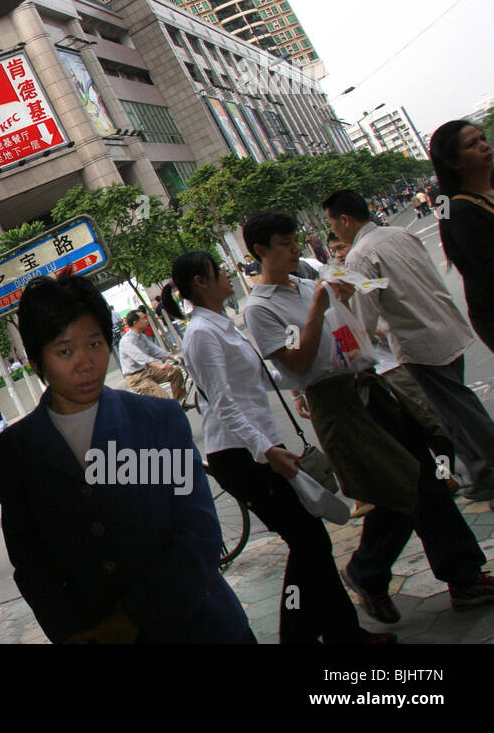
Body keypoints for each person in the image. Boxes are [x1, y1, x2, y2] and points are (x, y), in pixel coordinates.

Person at [242, 210, 494, 623]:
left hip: (370, 386)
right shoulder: (260, 308)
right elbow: (300, 363)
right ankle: (368, 571)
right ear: (260, 251)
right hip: (336, 405)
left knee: (425, 477)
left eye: (295, 240)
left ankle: (462, 576)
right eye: (284, 244)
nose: (294, 250)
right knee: (399, 489)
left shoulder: (308, 283)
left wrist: (342, 304)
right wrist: (319, 310)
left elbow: (345, 334)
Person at [0, 273, 251, 643]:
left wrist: (132, 621)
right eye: (65, 351)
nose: (86, 363)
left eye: (95, 344)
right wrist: (74, 634)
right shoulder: (14, 452)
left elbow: (199, 533)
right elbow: (32, 565)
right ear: (36, 361)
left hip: (202, 627)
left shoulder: (158, 419)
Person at [163, 253, 391, 643]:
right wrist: (265, 449)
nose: (231, 276)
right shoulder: (202, 333)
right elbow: (221, 402)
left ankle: (342, 633)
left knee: (311, 540)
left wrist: (307, 377)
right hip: (242, 454)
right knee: (308, 541)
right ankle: (300, 635)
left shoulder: (218, 325)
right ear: (202, 283)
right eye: (221, 272)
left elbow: (257, 380)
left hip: (256, 447)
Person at [325, 189, 494, 502]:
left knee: (461, 411)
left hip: (419, 342)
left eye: (333, 225)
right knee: (452, 411)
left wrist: (351, 351)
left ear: (345, 220)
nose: (333, 231)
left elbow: (364, 319)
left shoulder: (360, 255)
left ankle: (486, 469)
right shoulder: (399, 234)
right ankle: (481, 472)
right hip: (447, 327)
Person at [430, 120, 494, 353]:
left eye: (483, 138)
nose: (485, 146)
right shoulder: (455, 207)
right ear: (454, 162)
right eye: (472, 144)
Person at [117, 309, 186, 401]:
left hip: (148, 371)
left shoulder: (142, 336)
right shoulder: (126, 341)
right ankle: (171, 409)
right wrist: (160, 366)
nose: (147, 321)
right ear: (136, 323)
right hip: (137, 378)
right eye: (143, 319)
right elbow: (141, 357)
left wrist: (174, 357)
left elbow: (154, 350)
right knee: (164, 398)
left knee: (175, 371)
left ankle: (179, 404)